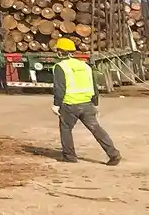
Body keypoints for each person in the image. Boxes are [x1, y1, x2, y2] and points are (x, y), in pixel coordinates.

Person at [51, 37, 121, 165]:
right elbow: (94, 86)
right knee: (96, 129)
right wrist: (95, 103)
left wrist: (56, 105)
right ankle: (113, 154)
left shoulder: (60, 67)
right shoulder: (85, 66)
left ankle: (70, 156)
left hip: (69, 104)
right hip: (87, 104)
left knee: (66, 129)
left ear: (60, 52)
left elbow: (59, 88)